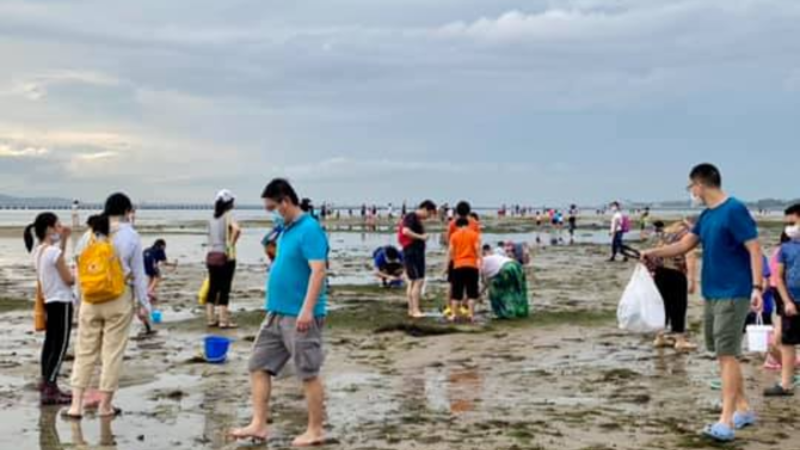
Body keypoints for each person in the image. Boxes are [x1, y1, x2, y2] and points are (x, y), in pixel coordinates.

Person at [642, 164, 763, 442]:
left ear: (701, 184)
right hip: (713, 292)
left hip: (735, 291)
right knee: (722, 351)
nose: (691, 192)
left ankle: (726, 420)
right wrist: (652, 252)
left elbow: (754, 248)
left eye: (691, 187)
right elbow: (684, 246)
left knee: (727, 354)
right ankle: (743, 409)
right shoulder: (707, 216)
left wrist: (757, 287)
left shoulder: (734, 209)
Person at [230, 179, 329, 446]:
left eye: (272, 207)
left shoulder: (310, 229)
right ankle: (259, 424)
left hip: (300, 315)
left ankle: (316, 430)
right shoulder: (285, 229)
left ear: (285, 201)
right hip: (275, 313)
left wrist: (307, 310)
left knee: (308, 372)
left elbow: (319, 271)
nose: (270, 212)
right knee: (258, 365)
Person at [65, 193, 152, 420]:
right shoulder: (130, 235)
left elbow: (79, 270)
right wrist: (144, 305)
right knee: (111, 354)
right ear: (126, 211)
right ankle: (105, 406)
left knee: (84, 352)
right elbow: (139, 275)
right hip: (118, 297)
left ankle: (75, 406)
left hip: (91, 299)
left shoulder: (88, 235)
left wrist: (77, 299)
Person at [25, 213, 75, 405]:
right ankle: (51, 388)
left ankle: (46, 381)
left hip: (49, 300)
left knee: (50, 343)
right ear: (48, 229)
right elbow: (68, 279)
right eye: (58, 225)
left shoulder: (39, 250)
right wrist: (80, 276)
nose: (60, 228)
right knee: (60, 345)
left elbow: (57, 259)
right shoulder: (52, 252)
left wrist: (64, 240)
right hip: (61, 301)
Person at [645, 219, 699, 352]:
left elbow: (655, 253)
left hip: (660, 273)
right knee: (679, 306)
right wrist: (692, 280)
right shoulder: (686, 235)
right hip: (676, 274)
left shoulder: (664, 234)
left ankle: (660, 337)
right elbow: (689, 256)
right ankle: (680, 340)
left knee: (662, 306)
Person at [764, 204, 800, 397]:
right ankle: (785, 384)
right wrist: (787, 301)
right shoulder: (785, 248)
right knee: (788, 342)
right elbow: (778, 277)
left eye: (792, 222)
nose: (789, 227)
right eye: (787, 224)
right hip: (792, 300)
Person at [205, 189, 242, 329]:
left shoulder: (211, 217)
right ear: (229, 203)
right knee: (224, 289)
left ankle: (210, 319)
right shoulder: (228, 215)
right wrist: (230, 245)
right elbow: (237, 229)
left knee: (213, 288)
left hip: (211, 255)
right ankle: (223, 321)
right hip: (226, 257)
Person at [399, 200, 437, 318]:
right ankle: (415, 310)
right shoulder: (412, 216)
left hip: (414, 252)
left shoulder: (416, 219)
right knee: (418, 281)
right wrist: (421, 237)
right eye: (430, 213)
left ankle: (411, 309)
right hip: (412, 252)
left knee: (413, 281)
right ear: (425, 209)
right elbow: (405, 231)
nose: (429, 217)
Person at [480, 245, 529, 319]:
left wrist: (478, 295)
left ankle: (504, 313)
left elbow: (485, 283)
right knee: (517, 290)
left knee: (496, 292)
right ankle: (521, 312)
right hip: (517, 266)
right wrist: (480, 293)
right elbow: (486, 282)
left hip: (506, 269)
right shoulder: (491, 258)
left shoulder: (480, 262)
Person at [448, 218, 482, 322]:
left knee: (456, 293)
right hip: (472, 266)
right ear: (468, 224)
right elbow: (477, 249)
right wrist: (480, 260)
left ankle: (454, 314)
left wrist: (451, 263)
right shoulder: (474, 234)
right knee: (472, 292)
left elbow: (451, 251)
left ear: (458, 225)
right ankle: (470, 314)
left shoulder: (454, 235)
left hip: (458, 266)